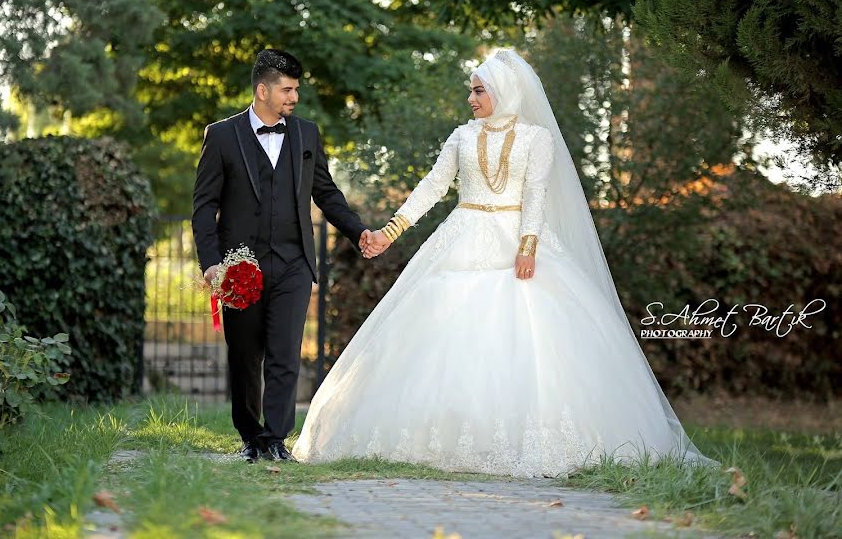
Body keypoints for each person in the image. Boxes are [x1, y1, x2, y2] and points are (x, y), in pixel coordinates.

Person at [292, 48, 719, 477]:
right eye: (470, 91)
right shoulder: (461, 136)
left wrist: (528, 247)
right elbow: (432, 187)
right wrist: (390, 231)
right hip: (462, 234)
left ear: (503, 91)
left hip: (516, 238)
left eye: (479, 91)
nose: (471, 99)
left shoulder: (537, 138)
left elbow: (535, 191)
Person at [192, 49, 372, 463]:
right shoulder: (221, 135)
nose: (294, 97)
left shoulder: (307, 134)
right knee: (244, 355)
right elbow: (204, 205)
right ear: (263, 89)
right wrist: (212, 262)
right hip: (241, 265)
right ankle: (251, 439)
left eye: (295, 90)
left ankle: (276, 438)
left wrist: (358, 230)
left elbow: (325, 193)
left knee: (285, 351)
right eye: (287, 89)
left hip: (293, 262)